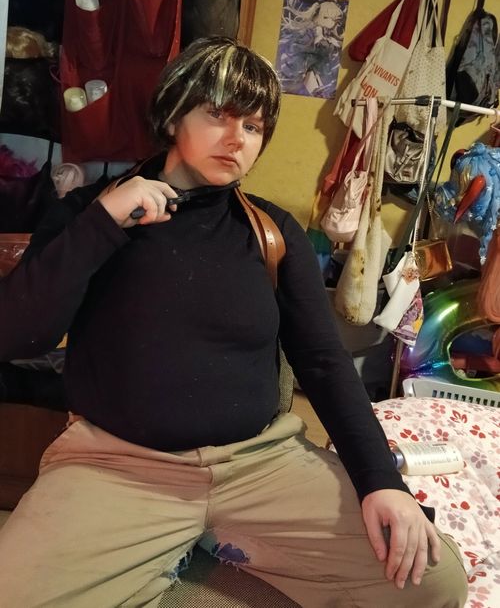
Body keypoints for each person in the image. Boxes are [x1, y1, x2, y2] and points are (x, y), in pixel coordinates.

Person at [0, 36, 467, 607]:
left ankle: (211, 541)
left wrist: (380, 481)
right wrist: (104, 221)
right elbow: (19, 333)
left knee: (433, 580)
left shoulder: (272, 232)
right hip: (117, 466)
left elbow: (324, 362)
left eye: (253, 125)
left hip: (260, 465)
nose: (237, 138)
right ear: (174, 115)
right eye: (217, 115)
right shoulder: (90, 213)